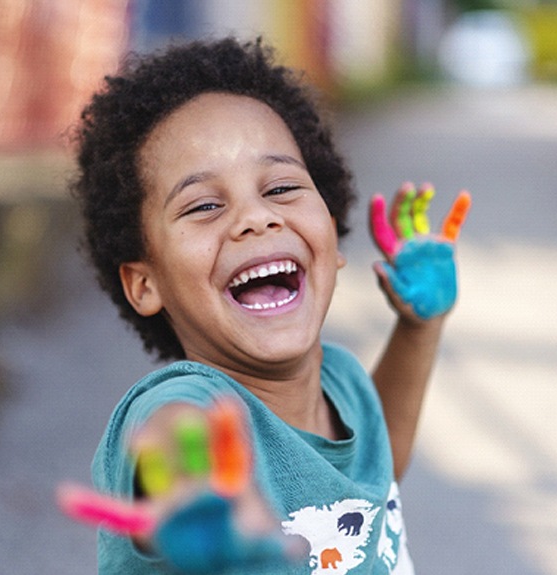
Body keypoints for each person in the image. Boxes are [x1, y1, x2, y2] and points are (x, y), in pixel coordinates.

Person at [67, 37, 470, 574]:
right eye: (205, 205)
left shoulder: (343, 380)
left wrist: (419, 329)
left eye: (281, 188)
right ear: (144, 283)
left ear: (330, 226)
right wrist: (197, 496)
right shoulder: (187, 399)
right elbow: (171, 432)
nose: (256, 218)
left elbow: (382, 462)